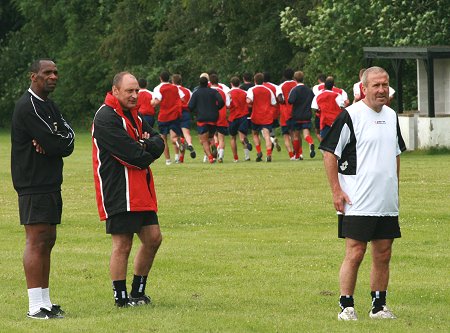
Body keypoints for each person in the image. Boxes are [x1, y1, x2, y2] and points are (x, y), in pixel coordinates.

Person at [319, 66, 406, 321]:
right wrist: (336, 190)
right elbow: (328, 153)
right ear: (364, 88)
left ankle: (379, 307)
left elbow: (396, 154)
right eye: (376, 85)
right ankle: (346, 307)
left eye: (384, 85)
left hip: (385, 200)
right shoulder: (350, 115)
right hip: (357, 199)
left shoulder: (391, 116)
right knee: (355, 252)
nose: (381, 90)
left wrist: (395, 187)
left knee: (384, 252)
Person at [92, 72, 165, 308]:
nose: (135, 95)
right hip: (118, 190)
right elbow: (134, 157)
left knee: (153, 239)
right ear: (115, 91)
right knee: (122, 244)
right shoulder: (105, 118)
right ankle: (121, 299)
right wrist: (144, 147)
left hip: (140, 189)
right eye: (129, 91)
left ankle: (138, 293)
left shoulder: (134, 115)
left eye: (137, 91)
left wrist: (144, 144)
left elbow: (158, 141)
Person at [11, 59, 75, 319]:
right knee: (36, 240)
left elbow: (69, 140)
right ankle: (34, 306)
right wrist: (53, 141)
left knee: (48, 240)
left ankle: (46, 302)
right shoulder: (28, 107)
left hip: (50, 181)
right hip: (32, 183)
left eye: (56, 72)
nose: (53, 76)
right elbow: (55, 142)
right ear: (33, 76)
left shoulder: (50, 106)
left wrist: (54, 141)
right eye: (47, 72)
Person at [188, 76, 225, 163]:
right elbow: (221, 101)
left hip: (202, 118)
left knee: (204, 140)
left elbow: (190, 106)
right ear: (208, 83)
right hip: (213, 118)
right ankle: (214, 146)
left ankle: (210, 158)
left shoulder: (196, 93)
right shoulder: (214, 91)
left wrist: (196, 111)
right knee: (211, 137)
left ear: (199, 83)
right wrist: (217, 108)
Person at [152, 71, 184, 165]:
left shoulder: (158, 88)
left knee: (163, 139)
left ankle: (168, 160)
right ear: (168, 78)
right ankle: (178, 151)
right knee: (174, 137)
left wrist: (152, 103)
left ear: (160, 78)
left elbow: (156, 101)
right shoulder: (175, 87)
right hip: (174, 115)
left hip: (164, 116)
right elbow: (182, 98)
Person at [246, 72, 276, 162]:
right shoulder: (268, 90)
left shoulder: (252, 89)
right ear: (263, 81)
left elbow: (248, 101)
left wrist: (251, 104)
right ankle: (269, 154)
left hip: (256, 115)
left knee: (255, 134)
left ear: (254, 81)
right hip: (267, 115)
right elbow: (274, 103)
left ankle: (259, 152)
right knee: (267, 135)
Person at [287, 71, 316, 159]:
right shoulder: (309, 90)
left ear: (294, 79)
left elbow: (290, 101)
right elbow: (313, 100)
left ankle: (297, 155)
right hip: (307, 114)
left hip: (297, 115)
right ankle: (310, 143)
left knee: (296, 136)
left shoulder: (294, 90)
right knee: (306, 134)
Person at [172, 74, 196, 162]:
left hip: (175, 113)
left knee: (175, 136)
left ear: (173, 81)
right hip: (186, 112)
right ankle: (189, 144)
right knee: (186, 133)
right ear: (181, 81)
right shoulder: (188, 91)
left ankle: (177, 157)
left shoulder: (172, 90)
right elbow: (191, 102)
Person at [228, 76, 252, 162]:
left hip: (233, 117)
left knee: (233, 138)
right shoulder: (245, 92)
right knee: (242, 137)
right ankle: (247, 156)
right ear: (239, 84)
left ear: (231, 84)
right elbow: (249, 103)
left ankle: (236, 158)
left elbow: (227, 105)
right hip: (243, 116)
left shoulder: (229, 93)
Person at [210, 73, 230, 163]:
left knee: (212, 136)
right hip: (221, 116)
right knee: (221, 137)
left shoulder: (208, 91)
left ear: (210, 82)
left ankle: (213, 154)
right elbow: (228, 105)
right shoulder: (223, 92)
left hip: (211, 116)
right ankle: (221, 156)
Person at [279, 68, 298, 160]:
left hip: (285, 114)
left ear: (284, 76)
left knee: (286, 135)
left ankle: (291, 155)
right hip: (296, 112)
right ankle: (298, 153)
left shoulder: (281, 86)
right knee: (295, 134)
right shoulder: (296, 84)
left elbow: (280, 99)